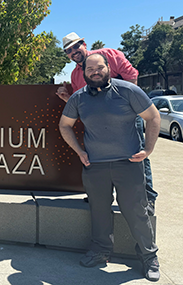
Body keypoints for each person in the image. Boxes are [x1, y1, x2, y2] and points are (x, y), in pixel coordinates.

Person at [59, 53, 161, 281]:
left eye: (99, 68)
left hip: (129, 164)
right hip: (95, 166)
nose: (95, 72)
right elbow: (64, 125)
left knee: (136, 211)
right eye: (90, 69)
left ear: (108, 68)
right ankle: (100, 251)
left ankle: (149, 256)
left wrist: (149, 150)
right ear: (83, 73)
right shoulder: (78, 98)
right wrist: (79, 151)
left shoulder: (127, 91)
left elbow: (153, 117)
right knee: (99, 211)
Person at [55, 32, 157, 215]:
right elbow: (84, 103)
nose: (73, 52)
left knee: (138, 155)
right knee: (98, 157)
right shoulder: (75, 75)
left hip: (127, 117)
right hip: (98, 124)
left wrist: (126, 107)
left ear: (84, 44)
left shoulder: (110, 55)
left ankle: (147, 199)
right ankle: (100, 195)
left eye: (76, 46)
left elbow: (132, 78)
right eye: (68, 51)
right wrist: (67, 99)